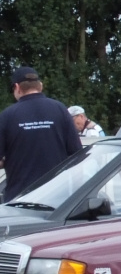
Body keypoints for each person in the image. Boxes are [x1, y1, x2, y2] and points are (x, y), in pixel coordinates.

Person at [0, 66, 81, 202]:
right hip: (57, 197)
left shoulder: (7, 116)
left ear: (17, 87)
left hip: (19, 198)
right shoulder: (60, 109)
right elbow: (77, 153)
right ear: (40, 86)